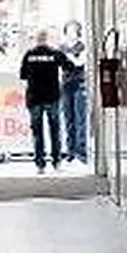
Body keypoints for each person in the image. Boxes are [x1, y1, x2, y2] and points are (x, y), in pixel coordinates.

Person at [18, 29, 75, 171]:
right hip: (52, 96)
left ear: (36, 40)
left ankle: (40, 164)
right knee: (55, 131)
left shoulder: (29, 55)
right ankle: (56, 162)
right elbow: (70, 67)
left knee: (37, 133)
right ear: (47, 39)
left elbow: (23, 75)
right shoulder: (55, 53)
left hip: (34, 97)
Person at [58, 20, 88, 163]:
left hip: (79, 84)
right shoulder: (61, 47)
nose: (72, 33)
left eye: (75, 30)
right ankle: (70, 151)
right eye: (69, 30)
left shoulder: (82, 46)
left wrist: (67, 57)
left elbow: (79, 63)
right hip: (65, 85)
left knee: (80, 118)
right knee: (68, 118)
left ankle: (81, 151)